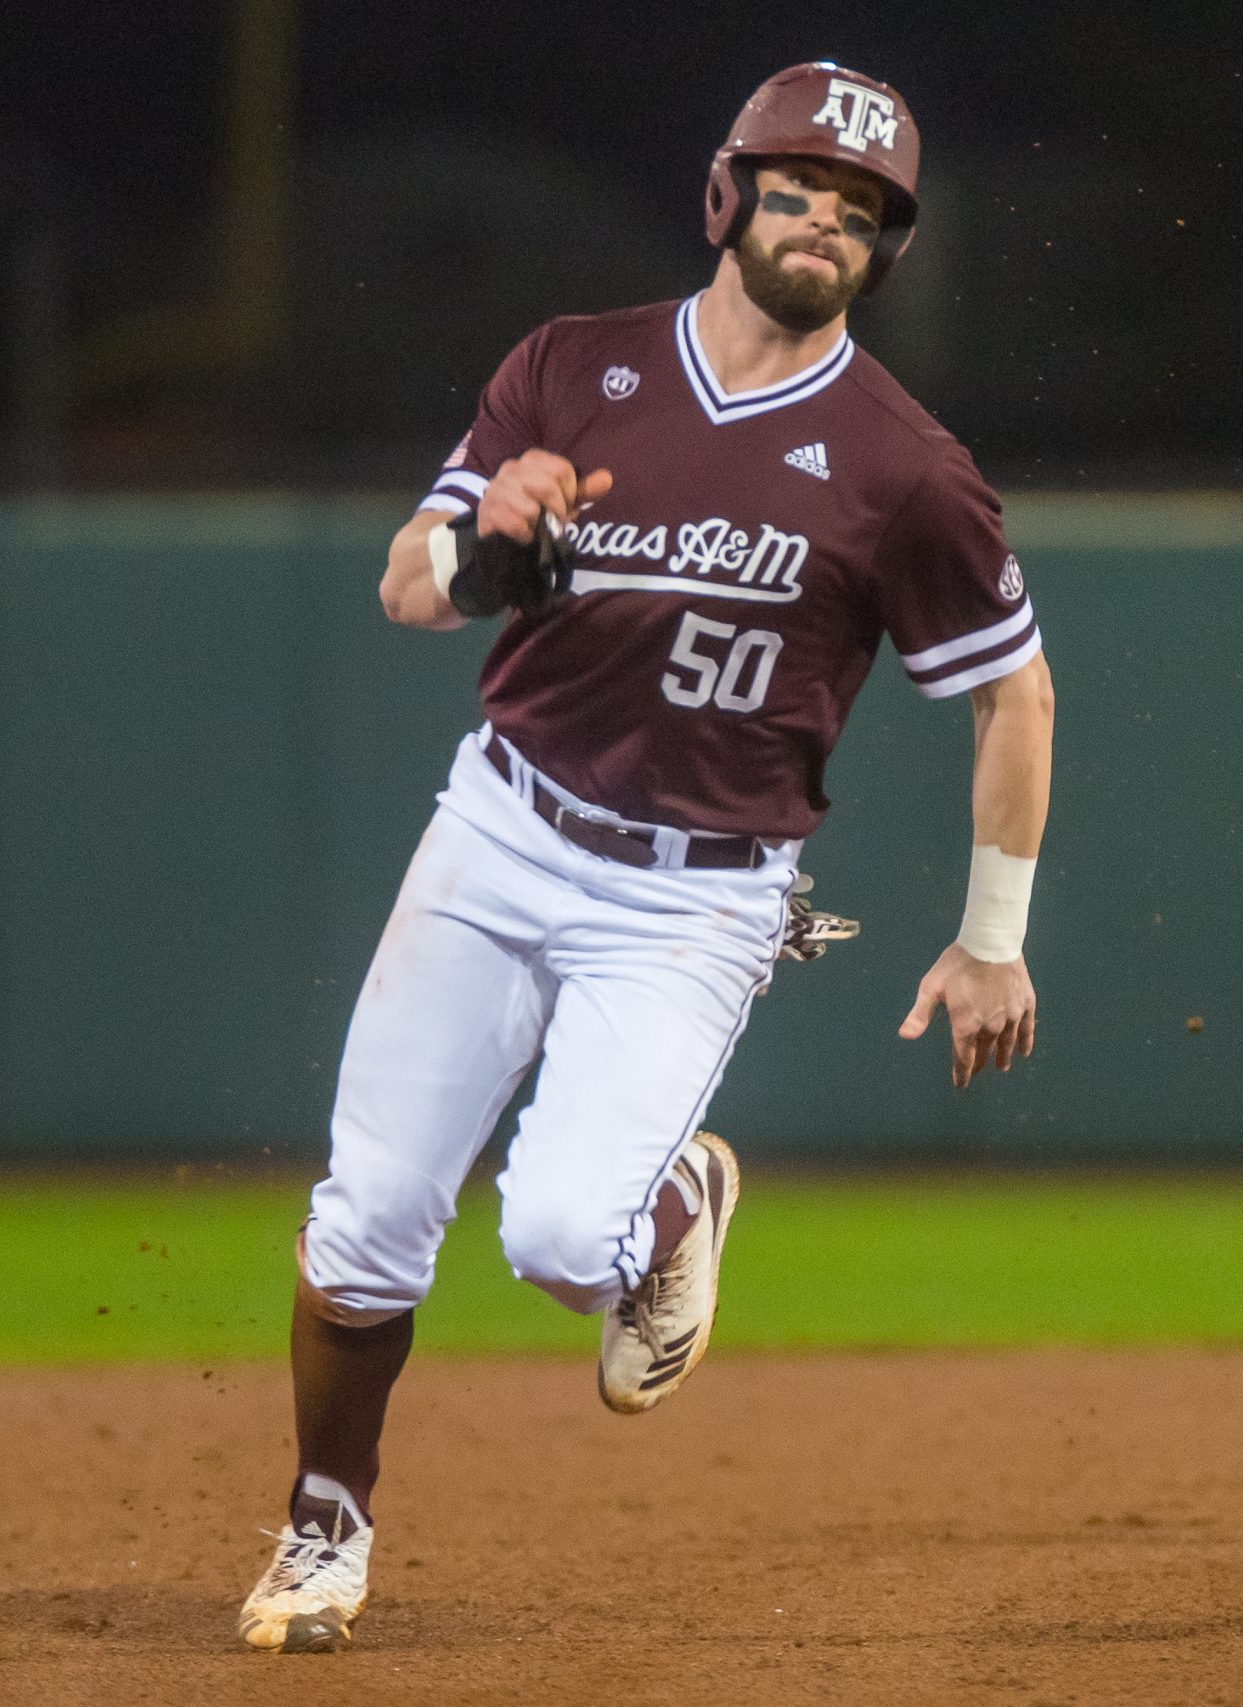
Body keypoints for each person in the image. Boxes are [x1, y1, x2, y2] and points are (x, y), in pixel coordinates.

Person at [236, 62, 1055, 1654]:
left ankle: (675, 1201)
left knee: (556, 1239)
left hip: (693, 892)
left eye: (867, 206)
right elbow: (407, 584)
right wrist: (485, 545)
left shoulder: (902, 463)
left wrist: (995, 934)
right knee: (369, 1218)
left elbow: (1013, 686)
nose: (831, 214)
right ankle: (324, 1523)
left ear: (887, 251)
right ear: (727, 194)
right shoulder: (574, 367)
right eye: (803, 182)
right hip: (501, 824)